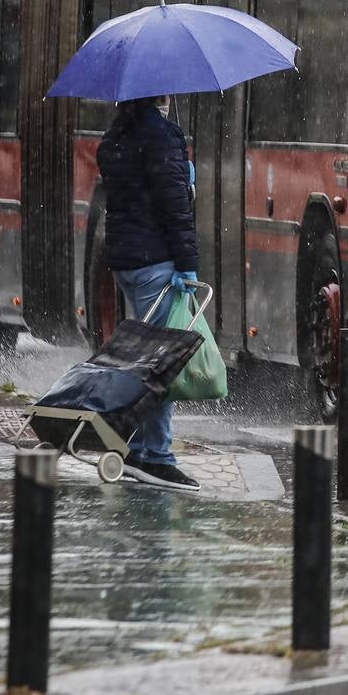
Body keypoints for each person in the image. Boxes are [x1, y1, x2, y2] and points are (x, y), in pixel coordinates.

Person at [96, 93, 201, 491]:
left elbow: (132, 198)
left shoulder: (117, 136)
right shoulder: (160, 136)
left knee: (146, 360)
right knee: (162, 364)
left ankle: (138, 448)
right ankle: (155, 456)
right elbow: (174, 208)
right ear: (160, 96)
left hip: (127, 261)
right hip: (157, 261)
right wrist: (186, 262)